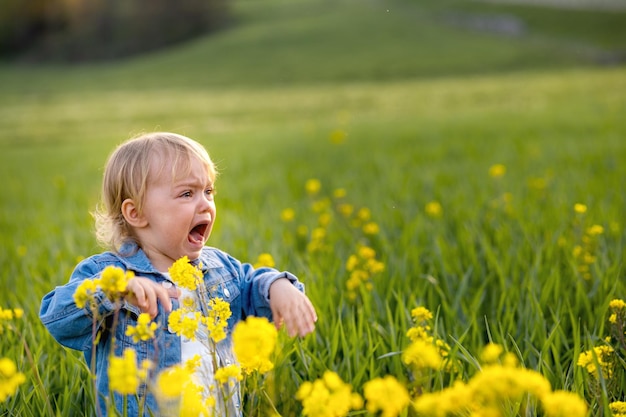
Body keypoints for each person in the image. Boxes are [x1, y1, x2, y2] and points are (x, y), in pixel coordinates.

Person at [39, 132, 317, 416]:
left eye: (208, 191)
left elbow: (254, 285)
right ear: (136, 213)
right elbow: (57, 317)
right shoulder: (109, 273)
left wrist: (278, 286)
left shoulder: (221, 269)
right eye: (187, 193)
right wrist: (115, 289)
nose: (205, 204)